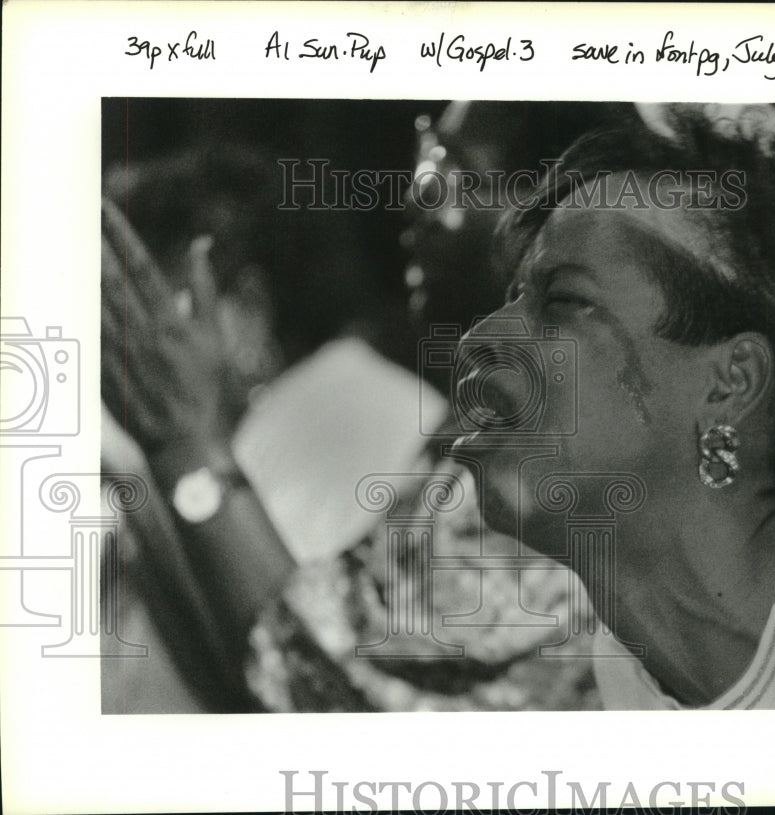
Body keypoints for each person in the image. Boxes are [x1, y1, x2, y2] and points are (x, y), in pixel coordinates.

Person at [101, 101, 618, 711]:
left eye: (454, 176)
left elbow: (317, 685)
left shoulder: (559, 452)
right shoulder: (485, 429)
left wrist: (186, 451)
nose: (415, 202)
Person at [448, 102, 775, 709]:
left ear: (730, 382)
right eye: (513, 297)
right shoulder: (628, 672)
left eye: (564, 301)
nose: (476, 338)